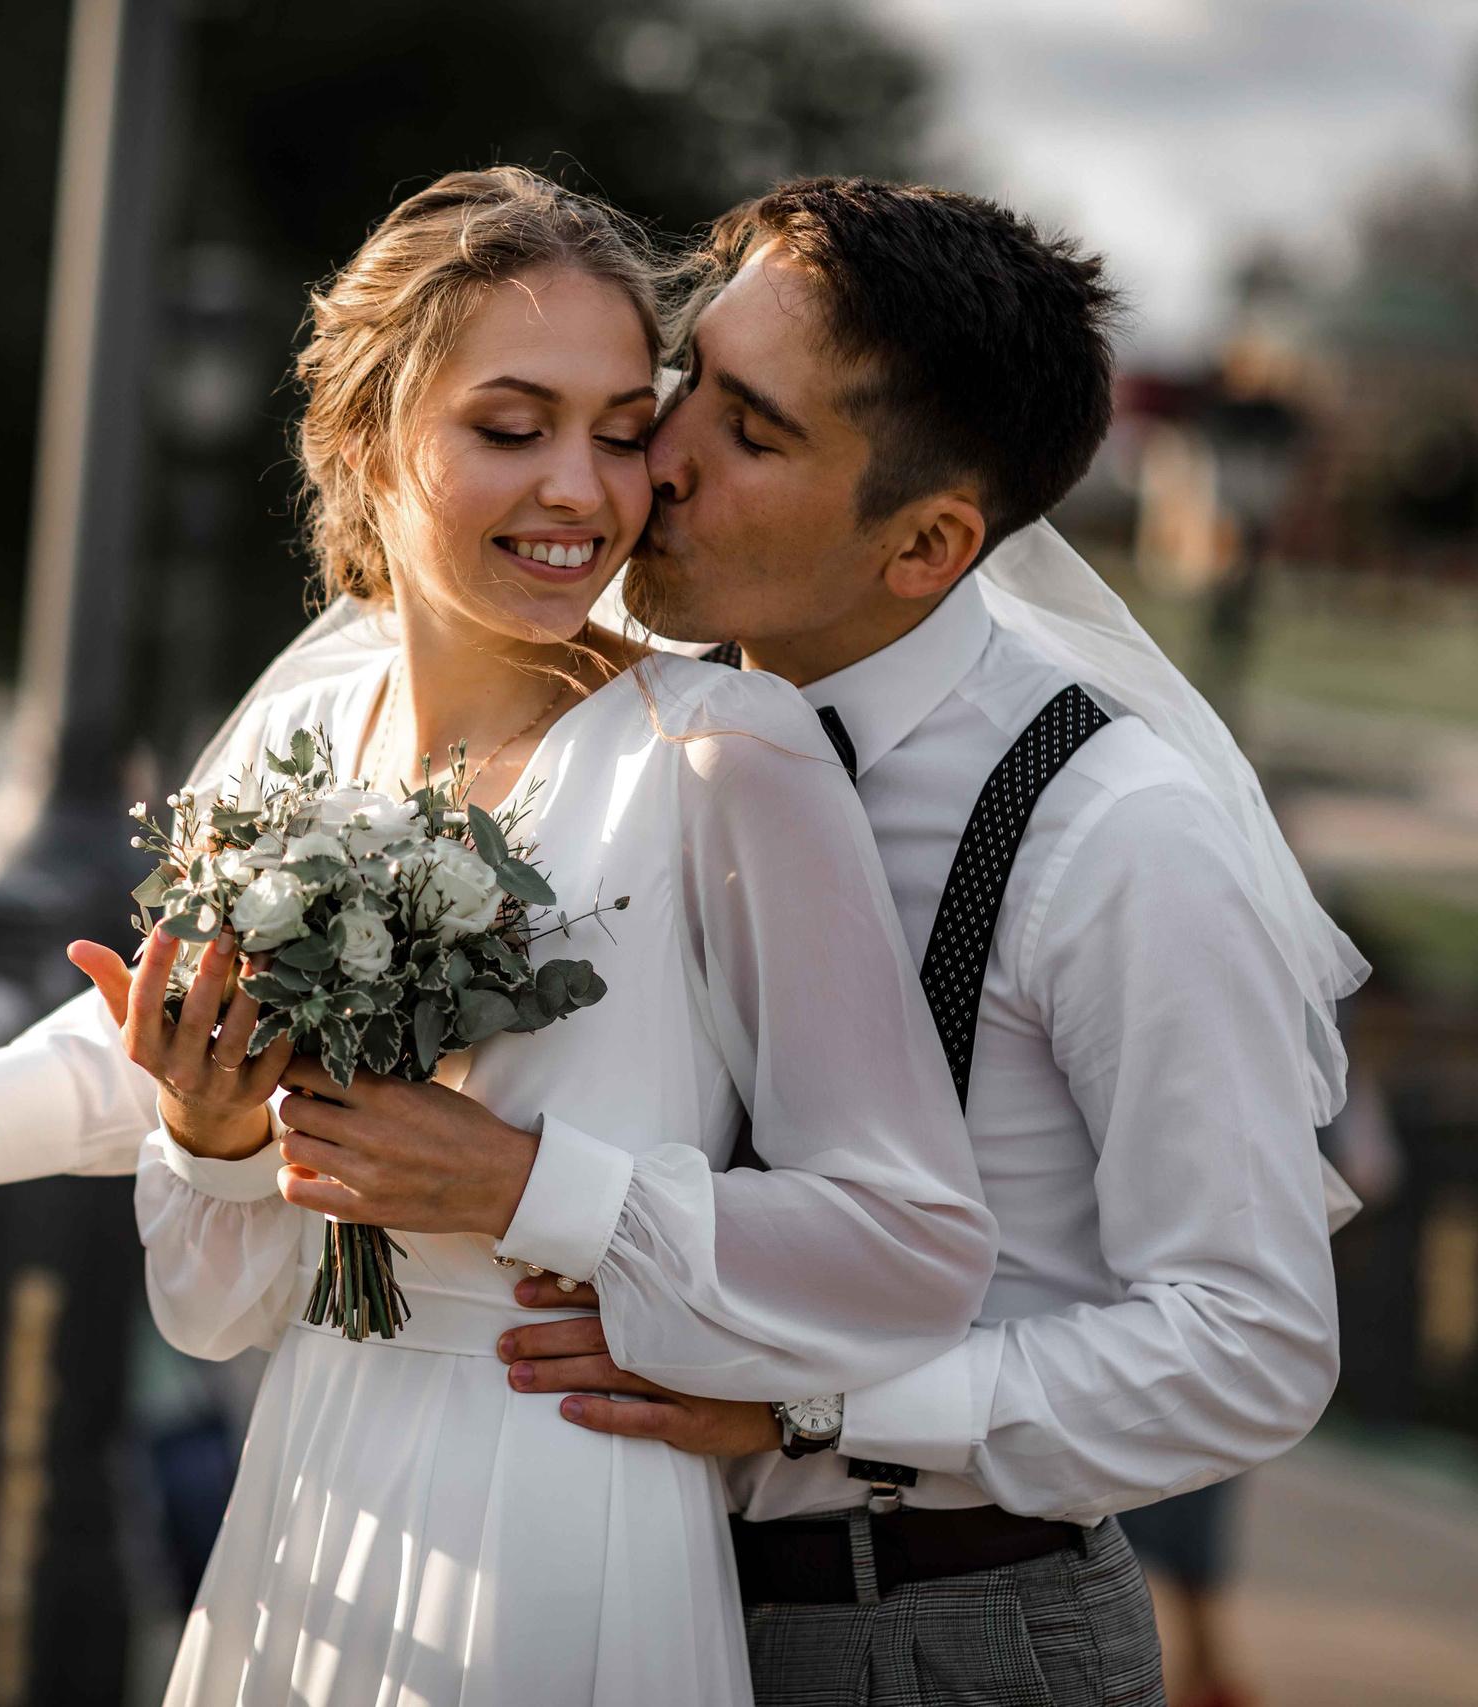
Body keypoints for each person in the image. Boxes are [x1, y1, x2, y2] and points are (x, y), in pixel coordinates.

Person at [0, 167, 999, 1705]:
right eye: (509, 425)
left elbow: (913, 1243)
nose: (582, 490)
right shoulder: (317, 714)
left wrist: (540, 1190)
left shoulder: (728, 756)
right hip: (312, 1479)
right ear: (364, 440)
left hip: (566, 1511)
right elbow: (163, 1038)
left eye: (622, 431)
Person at [490, 178, 1361, 1706]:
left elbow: (1252, 1345)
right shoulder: (620, 718)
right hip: (615, 1602)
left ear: (928, 544)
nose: (662, 451)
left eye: (750, 433)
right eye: (690, 375)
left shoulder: (1112, 835)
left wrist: (815, 1405)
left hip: (932, 1635)